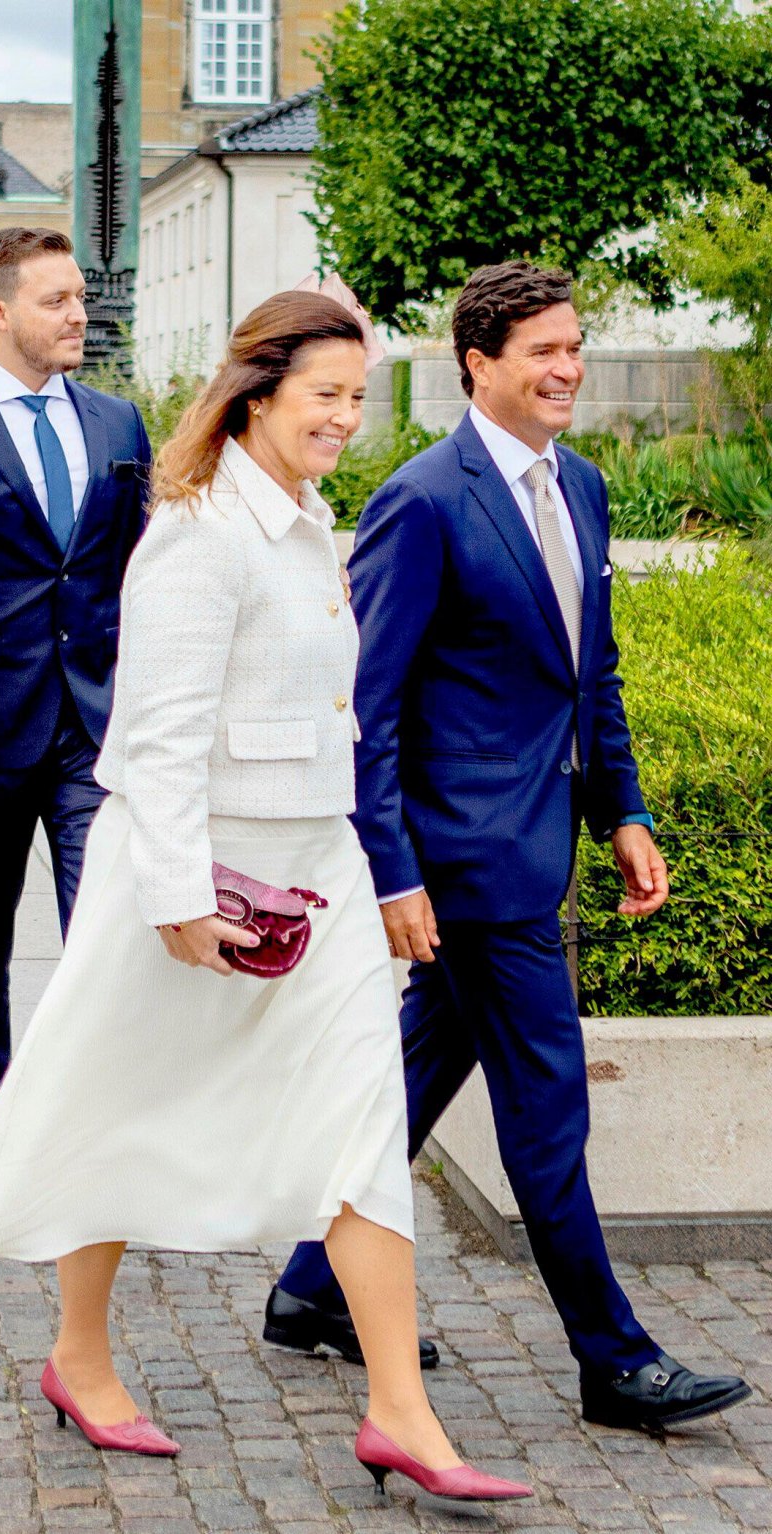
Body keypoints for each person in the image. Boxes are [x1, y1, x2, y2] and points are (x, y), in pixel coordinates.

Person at [0, 292, 533, 1504]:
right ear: (257, 392)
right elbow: (151, 742)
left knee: (367, 1124)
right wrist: (175, 900)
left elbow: (334, 717)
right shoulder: (199, 534)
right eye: (326, 395)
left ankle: (400, 1413)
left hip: (319, 880)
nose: (346, 420)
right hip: (194, 881)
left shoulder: (311, 525)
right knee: (116, 1107)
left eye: (359, 399)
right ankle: (79, 1356)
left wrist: (369, 867)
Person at [267, 262, 752, 1436]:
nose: (567, 367)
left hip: (542, 839)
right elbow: (363, 711)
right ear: (478, 363)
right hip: (467, 865)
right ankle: (612, 1358)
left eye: (574, 346)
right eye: (542, 350)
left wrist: (624, 811)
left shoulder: (580, 486)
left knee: (414, 1073)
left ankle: (309, 1288)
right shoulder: (426, 500)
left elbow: (594, 676)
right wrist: (394, 873)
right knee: (547, 1107)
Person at [0, 228, 150, 1149]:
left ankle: (97, 1123)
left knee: (103, 932)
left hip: (93, 727)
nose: (77, 314)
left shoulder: (116, 423)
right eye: (56, 300)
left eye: (80, 298)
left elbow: (143, 566)